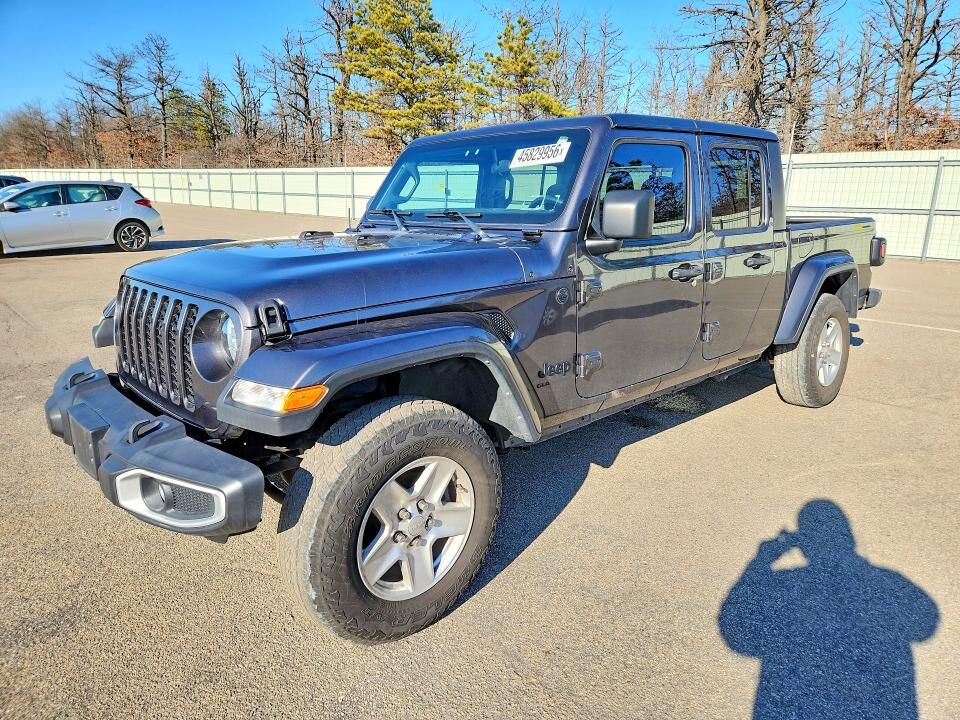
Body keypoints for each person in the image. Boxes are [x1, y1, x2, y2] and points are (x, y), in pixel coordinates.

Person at [719, 499, 938, 720]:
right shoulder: (889, 585)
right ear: (849, 538)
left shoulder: (784, 588)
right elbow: (926, 624)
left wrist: (761, 563)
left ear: (804, 546)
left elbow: (736, 628)